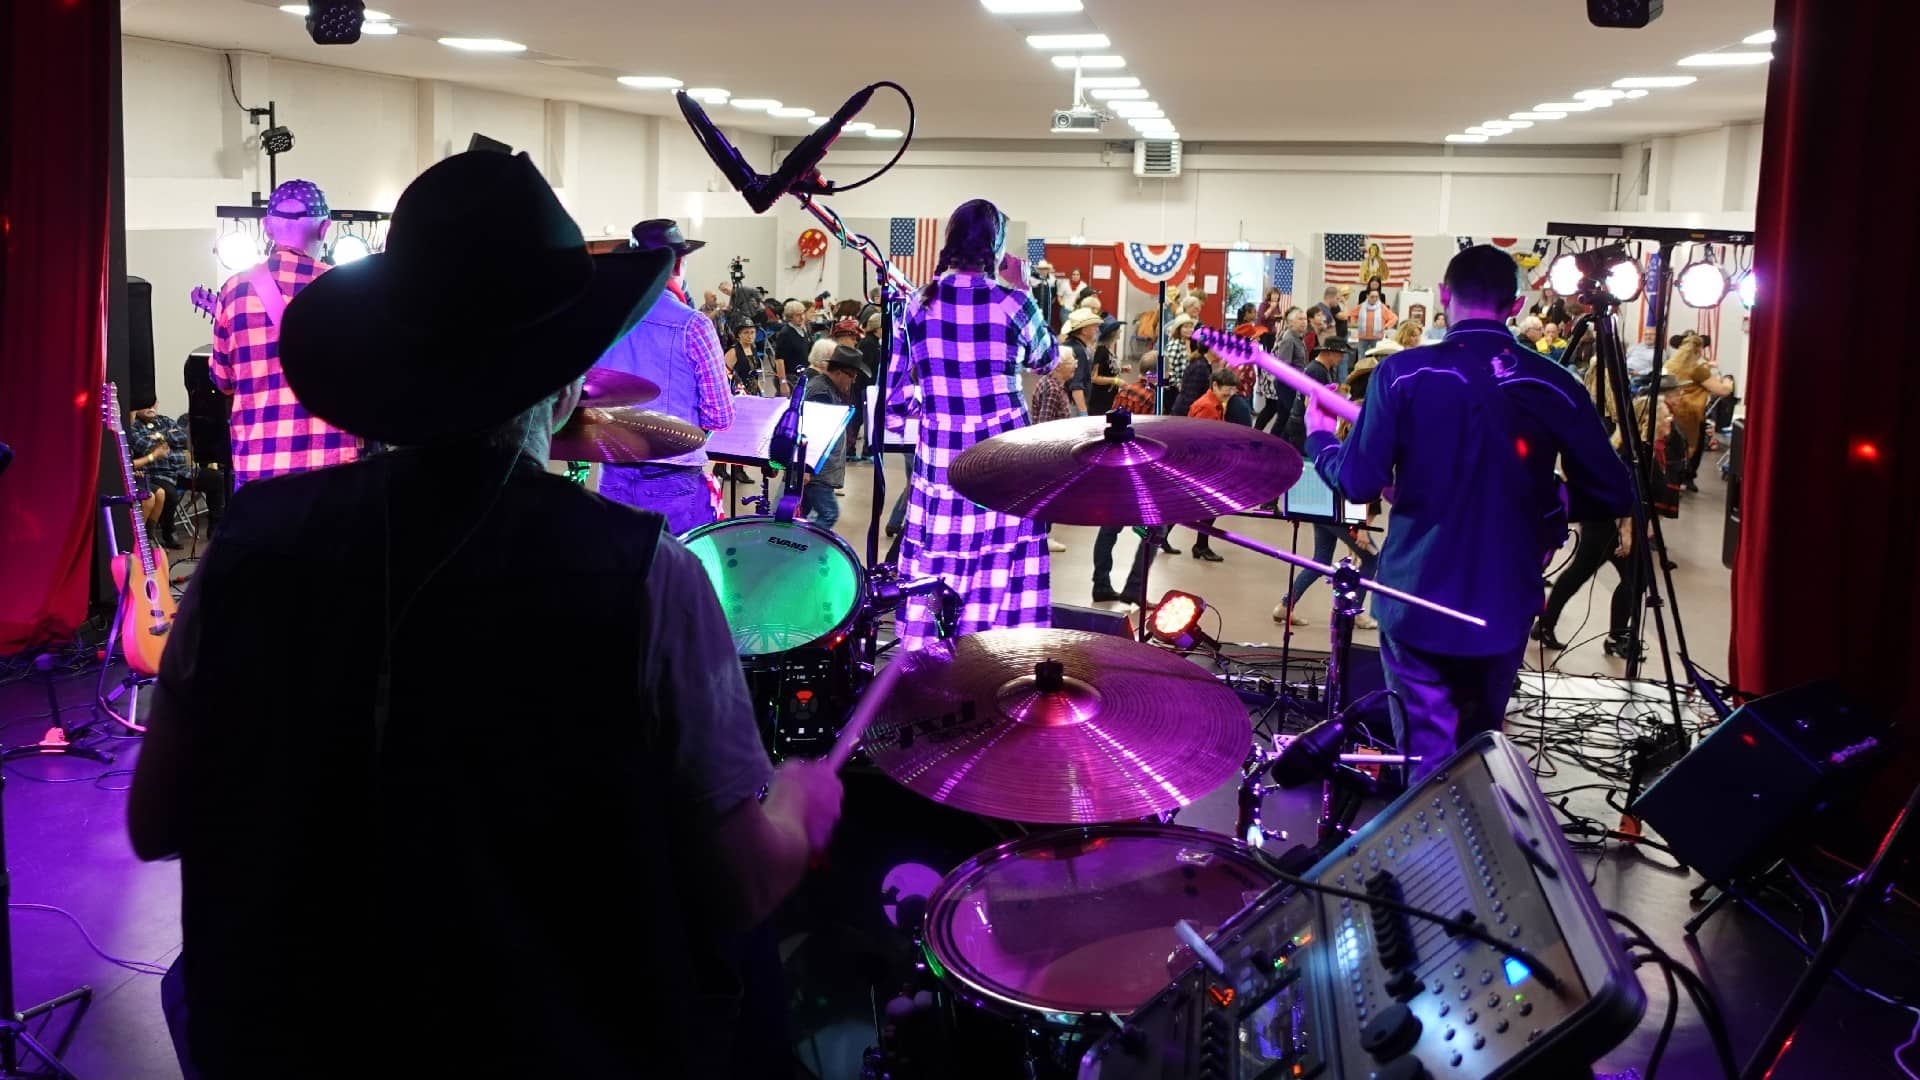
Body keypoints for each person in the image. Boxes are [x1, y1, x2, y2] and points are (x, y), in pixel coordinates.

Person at [127, 150, 845, 1079]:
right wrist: (798, 801)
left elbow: (156, 821)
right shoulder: (646, 576)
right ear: (566, 383)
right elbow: (739, 883)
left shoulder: (249, 547)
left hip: (277, 1036)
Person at [1302, 245, 1633, 783]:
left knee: (1425, 760)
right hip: (1502, 604)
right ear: (1517, 302)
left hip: (1416, 596)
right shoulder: (1554, 382)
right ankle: (1479, 849)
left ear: (1442, 296)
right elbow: (1614, 489)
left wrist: (1320, 439)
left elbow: (1358, 480)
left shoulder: (1402, 375)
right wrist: (1550, 498)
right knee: (1480, 749)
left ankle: (1426, 859)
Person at [885, 198, 1058, 649]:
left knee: (935, 564)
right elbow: (1047, 359)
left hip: (940, 464)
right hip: (1004, 462)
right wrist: (1023, 288)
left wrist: (939, 412)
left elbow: (897, 397)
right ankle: (997, 660)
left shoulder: (916, 304)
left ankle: (928, 662)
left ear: (949, 241)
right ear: (996, 245)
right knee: (1002, 563)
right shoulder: (1014, 302)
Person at [208, 178, 363, 489]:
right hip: (332, 467)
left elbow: (222, 381)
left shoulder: (234, 290)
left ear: (266, 227)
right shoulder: (351, 289)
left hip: (259, 469)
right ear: (324, 228)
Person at [593, 219, 736, 536]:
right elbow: (721, 415)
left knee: (620, 572)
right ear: (680, 263)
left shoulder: (604, 319)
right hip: (671, 479)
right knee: (672, 577)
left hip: (612, 471)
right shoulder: (693, 325)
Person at [1180, 367, 1252, 563]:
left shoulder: (1215, 403)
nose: (1229, 393)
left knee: (1190, 505)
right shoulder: (1209, 407)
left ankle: (1168, 538)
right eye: (1226, 389)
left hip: (1201, 464)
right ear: (1215, 385)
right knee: (1209, 506)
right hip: (1203, 465)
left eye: (1232, 389)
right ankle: (1200, 545)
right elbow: (1202, 438)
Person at [124, 393, 205, 548]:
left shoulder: (164, 420)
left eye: (153, 404)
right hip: (159, 473)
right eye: (146, 404)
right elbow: (146, 446)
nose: (151, 407)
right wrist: (162, 444)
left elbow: (183, 438)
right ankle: (164, 534)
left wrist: (160, 436)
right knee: (166, 493)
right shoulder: (134, 427)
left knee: (214, 479)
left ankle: (217, 528)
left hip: (182, 470)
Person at [801, 345, 868, 530]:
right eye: (852, 376)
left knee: (802, 515)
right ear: (839, 373)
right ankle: (808, 548)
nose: (853, 381)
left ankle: (799, 547)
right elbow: (810, 431)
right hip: (816, 472)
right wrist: (806, 467)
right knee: (828, 513)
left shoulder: (827, 389)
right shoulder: (821, 392)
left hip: (818, 470)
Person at [1662, 332, 1733, 490]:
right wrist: (1728, 381)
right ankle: (1681, 480)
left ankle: (1668, 478)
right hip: (1689, 412)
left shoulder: (1669, 364)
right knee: (1690, 447)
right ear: (1699, 349)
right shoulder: (1696, 368)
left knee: (1670, 446)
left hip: (1668, 410)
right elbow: (1721, 390)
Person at [1284, 337, 1346, 449]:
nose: (1342, 357)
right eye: (1340, 353)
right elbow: (1309, 403)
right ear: (1329, 353)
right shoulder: (1317, 371)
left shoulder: (1324, 369)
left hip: (1303, 424)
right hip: (1303, 426)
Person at [1062, 306, 1101, 414]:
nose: (1097, 330)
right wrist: (1083, 412)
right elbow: (1076, 386)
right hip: (1074, 405)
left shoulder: (1070, 345)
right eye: (1094, 327)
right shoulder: (1079, 351)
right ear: (1084, 330)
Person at [1348, 285, 1398, 365]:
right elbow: (1351, 314)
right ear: (1367, 296)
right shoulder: (1361, 307)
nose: (1374, 299)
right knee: (1361, 359)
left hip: (1377, 338)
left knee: (1376, 360)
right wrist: (1356, 322)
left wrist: (1386, 326)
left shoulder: (1382, 307)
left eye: (1376, 297)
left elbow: (1394, 318)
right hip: (1363, 337)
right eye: (1372, 297)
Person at [771, 299, 810, 396]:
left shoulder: (803, 331)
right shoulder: (785, 333)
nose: (801, 317)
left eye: (802, 314)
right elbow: (779, 360)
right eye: (797, 315)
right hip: (789, 377)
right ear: (790, 316)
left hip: (800, 375)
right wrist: (783, 383)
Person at [1087, 316, 1124, 416]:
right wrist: (1115, 381)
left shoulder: (1108, 349)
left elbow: (1108, 368)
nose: (1120, 331)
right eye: (1118, 329)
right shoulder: (1101, 351)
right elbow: (1094, 377)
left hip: (1109, 397)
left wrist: (1122, 369)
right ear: (1113, 333)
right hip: (1100, 399)